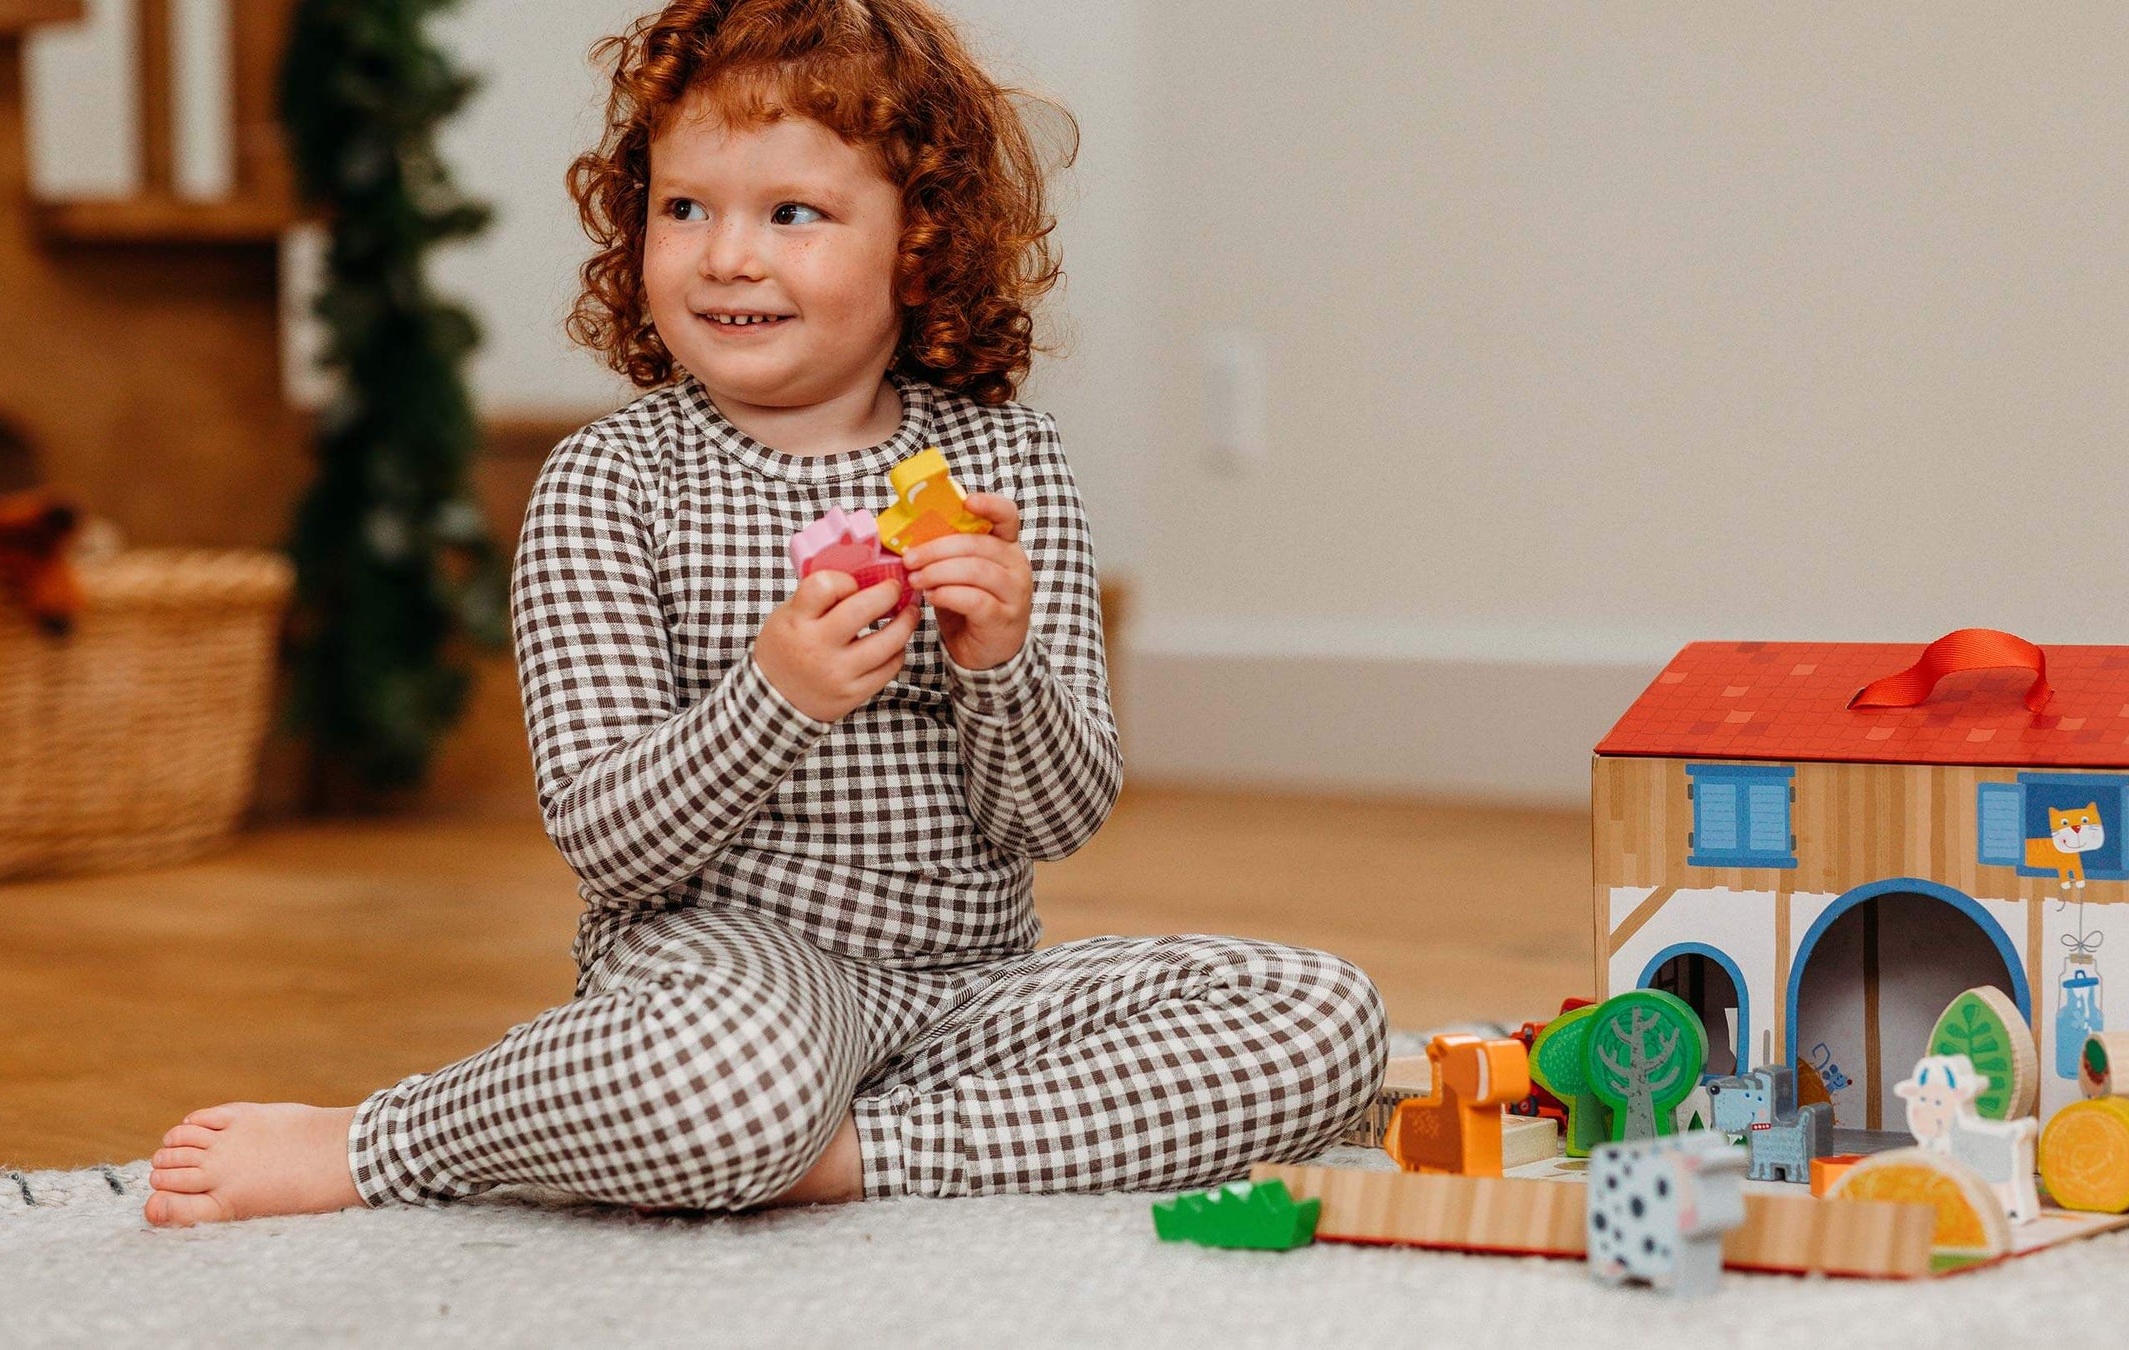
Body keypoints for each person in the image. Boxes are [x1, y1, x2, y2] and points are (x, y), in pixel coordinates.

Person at [143, 0, 1385, 1227]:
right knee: (720, 1073)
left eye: (793, 213)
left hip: (971, 1003)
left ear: (920, 243)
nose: (728, 255)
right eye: (684, 208)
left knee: (1324, 1023)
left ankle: (826, 1157)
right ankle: (385, 1138)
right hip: (728, 984)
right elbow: (607, 841)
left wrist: (1001, 665)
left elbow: (1055, 818)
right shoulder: (609, 483)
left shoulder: (1008, 465)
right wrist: (773, 698)